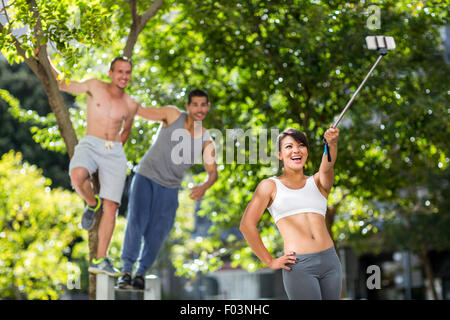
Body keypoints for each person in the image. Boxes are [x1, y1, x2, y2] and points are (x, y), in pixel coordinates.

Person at [118, 89, 218, 290]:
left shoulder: (206, 140)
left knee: (159, 231)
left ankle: (140, 273)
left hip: (170, 187)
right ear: (188, 106)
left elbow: (213, 172)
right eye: (195, 104)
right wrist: (122, 99)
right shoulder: (172, 115)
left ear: (207, 108)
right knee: (137, 222)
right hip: (146, 176)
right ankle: (126, 271)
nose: (199, 109)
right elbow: (141, 111)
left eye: (203, 105)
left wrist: (205, 185)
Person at [48, 55, 138, 276]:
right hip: (90, 142)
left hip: (113, 151)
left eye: (127, 72)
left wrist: (113, 149)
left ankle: (100, 259)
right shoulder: (94, 85)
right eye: (120, 71)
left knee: (112, 206)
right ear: (110, 73)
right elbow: (63, 83)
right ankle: (91, 203)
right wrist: (46, 56)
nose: (124, 76)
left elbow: (125, 132)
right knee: (78, 176)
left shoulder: (130, 103)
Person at [239, 126, 342, 300]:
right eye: (289, 146)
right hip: (300, 266)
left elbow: (327, 166)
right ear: (279, 154)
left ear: (307, 151)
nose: (296, 150)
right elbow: (246, 225)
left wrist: (331, 143)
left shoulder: (318, 182)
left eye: (301, 145)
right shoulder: (269, 186)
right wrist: (270, 261)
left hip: (331, 262)